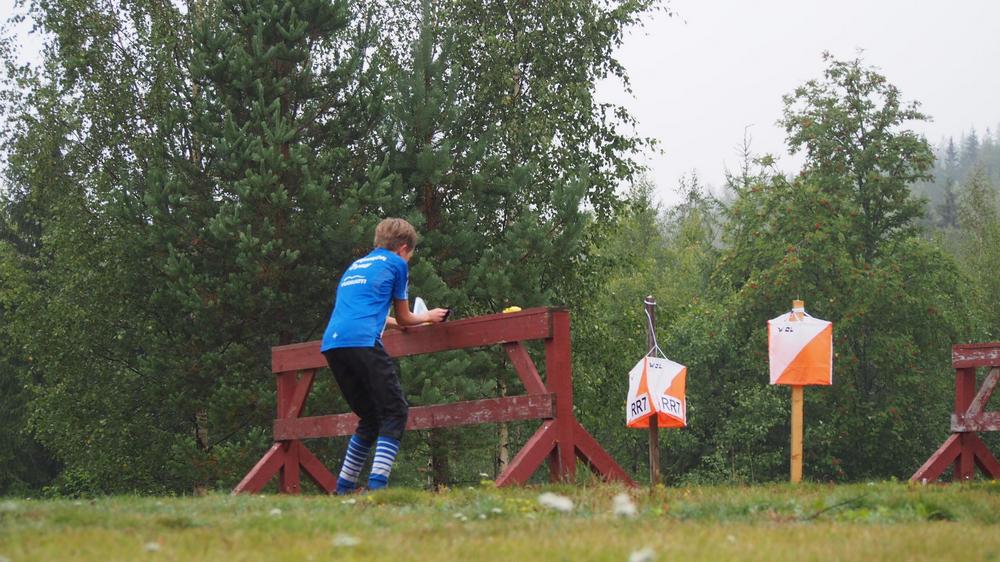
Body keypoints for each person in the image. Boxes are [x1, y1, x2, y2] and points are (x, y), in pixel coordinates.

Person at [320, 218, 448, 494]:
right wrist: (427, 316)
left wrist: (399, 323)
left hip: (333, 343)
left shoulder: (356, 266)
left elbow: (366, 311)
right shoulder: (397, 264)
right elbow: (405, 317)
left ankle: (343, 488)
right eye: (410, 255)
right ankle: (378, 487)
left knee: (369, 418)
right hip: (364, 341)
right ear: (403, 249)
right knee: (395, 411)